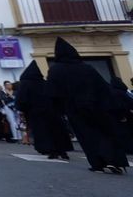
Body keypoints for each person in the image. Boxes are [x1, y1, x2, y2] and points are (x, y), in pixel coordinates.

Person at [46, 38, 128, 174]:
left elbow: (53, 93)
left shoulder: (56, 70)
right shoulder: (87, 68)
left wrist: (58, 110)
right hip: (97, 107)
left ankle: (98, 163)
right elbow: (103, 89)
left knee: (87, 137)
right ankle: (114, 160)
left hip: (75, 109)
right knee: (104, 133)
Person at [14, 60, 70, 160]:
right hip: (52, 111)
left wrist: (22, 109)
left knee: (43, 132)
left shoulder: (25, 84)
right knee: (56, 131)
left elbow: (21, 99)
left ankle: (51, 151)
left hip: (36, 113)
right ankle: (62, 151)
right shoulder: (45, 83)